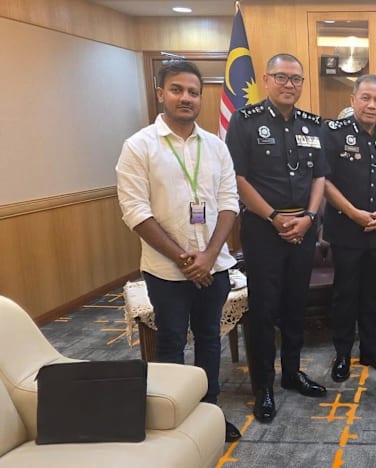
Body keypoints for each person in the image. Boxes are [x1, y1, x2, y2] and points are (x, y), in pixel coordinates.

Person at [115, 60, 241, 442]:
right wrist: (184, 260)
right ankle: (175, 415)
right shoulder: (139, 146)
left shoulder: (216, 146)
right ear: (161, 94)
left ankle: (209, 410)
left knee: (209, 338)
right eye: (177, 90)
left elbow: (229, 203)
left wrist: (208, 257)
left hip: (214, 266)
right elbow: (135, 212)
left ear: (201, 97)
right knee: (170, 341)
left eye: (193, 92)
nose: (186, 97)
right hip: (166, 271)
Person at [225, 53, 328, 424]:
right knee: (264, 310)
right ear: (266, 80)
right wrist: (273, 217)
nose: (289, 84)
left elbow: (319, 177)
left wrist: (309, 219)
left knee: (295, 304)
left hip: (302, 228)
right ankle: (263, 386)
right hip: (263, 229)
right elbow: (237, 178)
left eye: (296, 79)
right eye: (282, 77)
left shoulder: (313, 125)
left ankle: (292, 373)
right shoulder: (245, 121)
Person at [322, 75, 376, 382]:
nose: (372, 105)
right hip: (346, 230)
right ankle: (343, 354)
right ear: (353, 99)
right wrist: (353, 213)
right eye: (366, 98)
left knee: (373, 294)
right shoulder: (333, 133)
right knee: (345, 295)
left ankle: (370, 350)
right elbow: (324, 181)